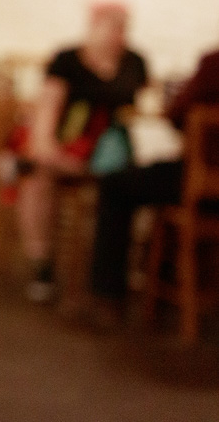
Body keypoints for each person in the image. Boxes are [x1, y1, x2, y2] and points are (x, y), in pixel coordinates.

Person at [16, 1, 149, 303]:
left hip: (111, 149)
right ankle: (43, 263)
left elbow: (142, 108)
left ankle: (114, 268)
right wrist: (48, 148)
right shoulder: (68, 60)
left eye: (123, 27)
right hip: (70, 141)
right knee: (39, 175)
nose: (119, 35)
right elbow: (48, 107)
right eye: (113, 26)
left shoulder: (134, 62)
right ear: (94, 26)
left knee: (129, 183)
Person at [88, 46, 219, 321]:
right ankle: (171, 276)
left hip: (205, 186)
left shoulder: (214, 63)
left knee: (116, 185)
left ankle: (107, 296)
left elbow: (176, 114)